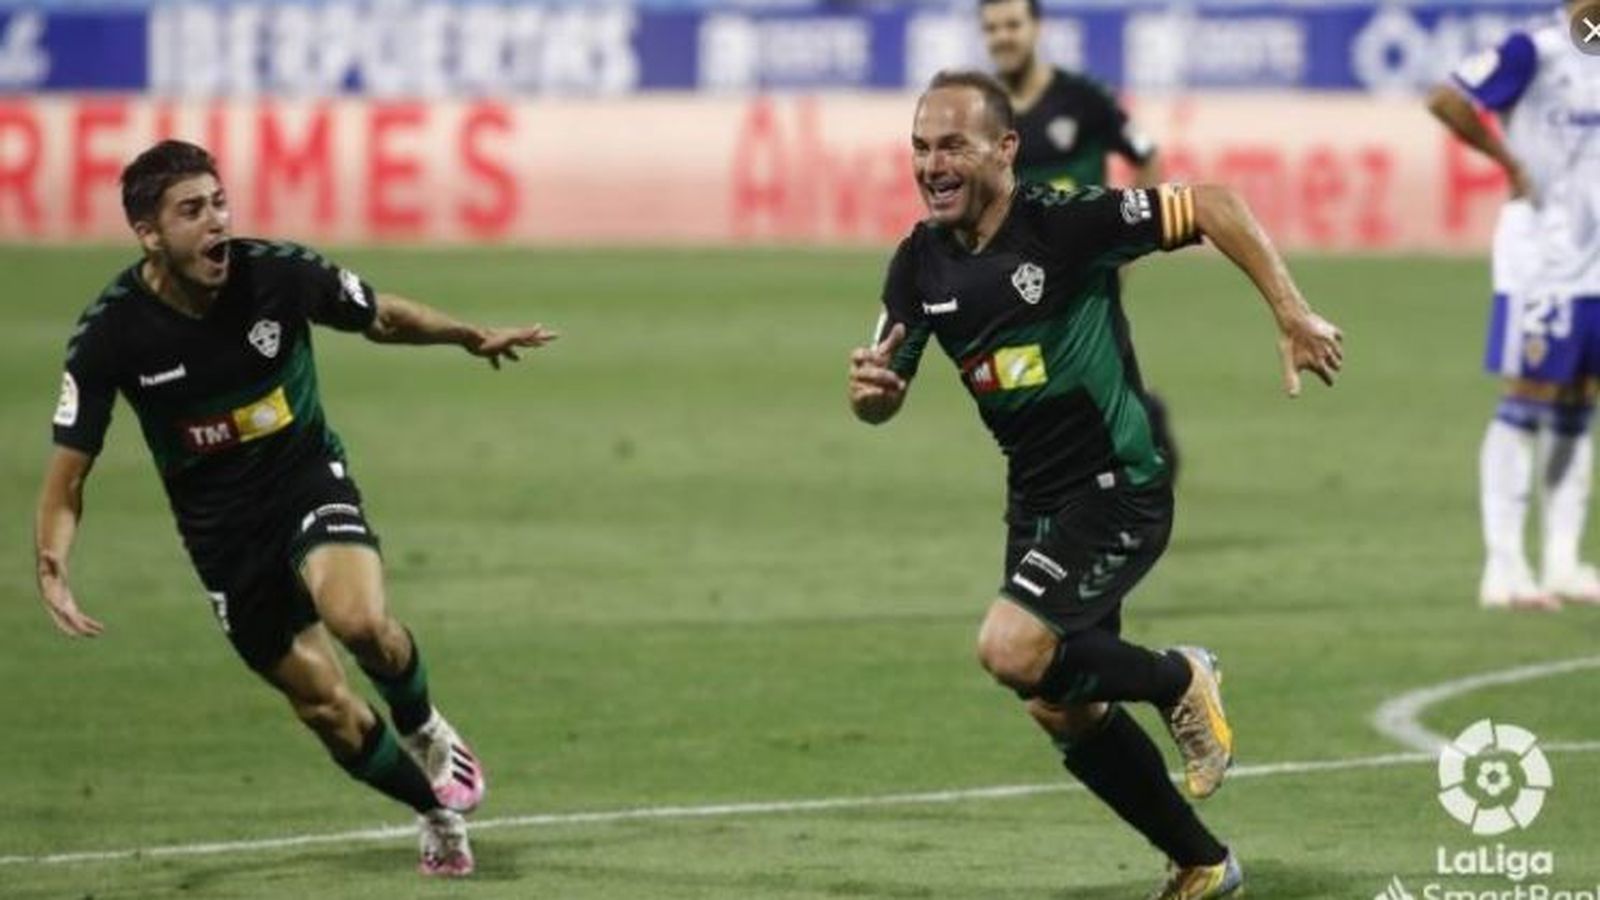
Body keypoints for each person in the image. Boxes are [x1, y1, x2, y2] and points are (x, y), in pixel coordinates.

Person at [847, 72, 1342, 899]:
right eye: (921, 148)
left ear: (1005, 151)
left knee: (1009, 647)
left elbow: (1213, 202)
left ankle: (1180, 677)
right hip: (1035, 501)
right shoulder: (916, 265)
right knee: (1055, 703)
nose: (933, 165)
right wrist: (872, 398)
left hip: (1118, 485)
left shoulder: (1065, 224)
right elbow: (877, 393)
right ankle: (1203, 863)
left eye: (953, 147)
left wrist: (1291, 313)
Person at [33, 140, 556, 877]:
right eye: (192, 211)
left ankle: (425, 725)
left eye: (219, 202)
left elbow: (379, 315)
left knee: (360, 622)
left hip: (303, 477)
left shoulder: (277, 274)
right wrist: (52, 561)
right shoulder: (111, 334)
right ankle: (433, 812)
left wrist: (468, 336)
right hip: (222, 534)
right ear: (150, 233)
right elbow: (70, 473)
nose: (216, 222)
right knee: (325, 706)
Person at [1427, 2, 1600, 611]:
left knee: (1581, 401)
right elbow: (1446, 98)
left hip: (1595, 264)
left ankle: (1560, 558)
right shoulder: (1535, 49)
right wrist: (1509, 162)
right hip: (1542, 263)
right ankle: (1503, 568)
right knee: (1526, 401)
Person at [979, 0, 1183, 477]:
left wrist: (1133, 241)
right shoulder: (983, 111)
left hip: (1083, 270)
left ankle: (1134, 485)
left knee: (1083, 386)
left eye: (1013, 24)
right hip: (1019, 281)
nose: (1003, 36)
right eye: (992, 28)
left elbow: (1146, 155)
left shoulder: (1082, 99)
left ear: (1036, 28)